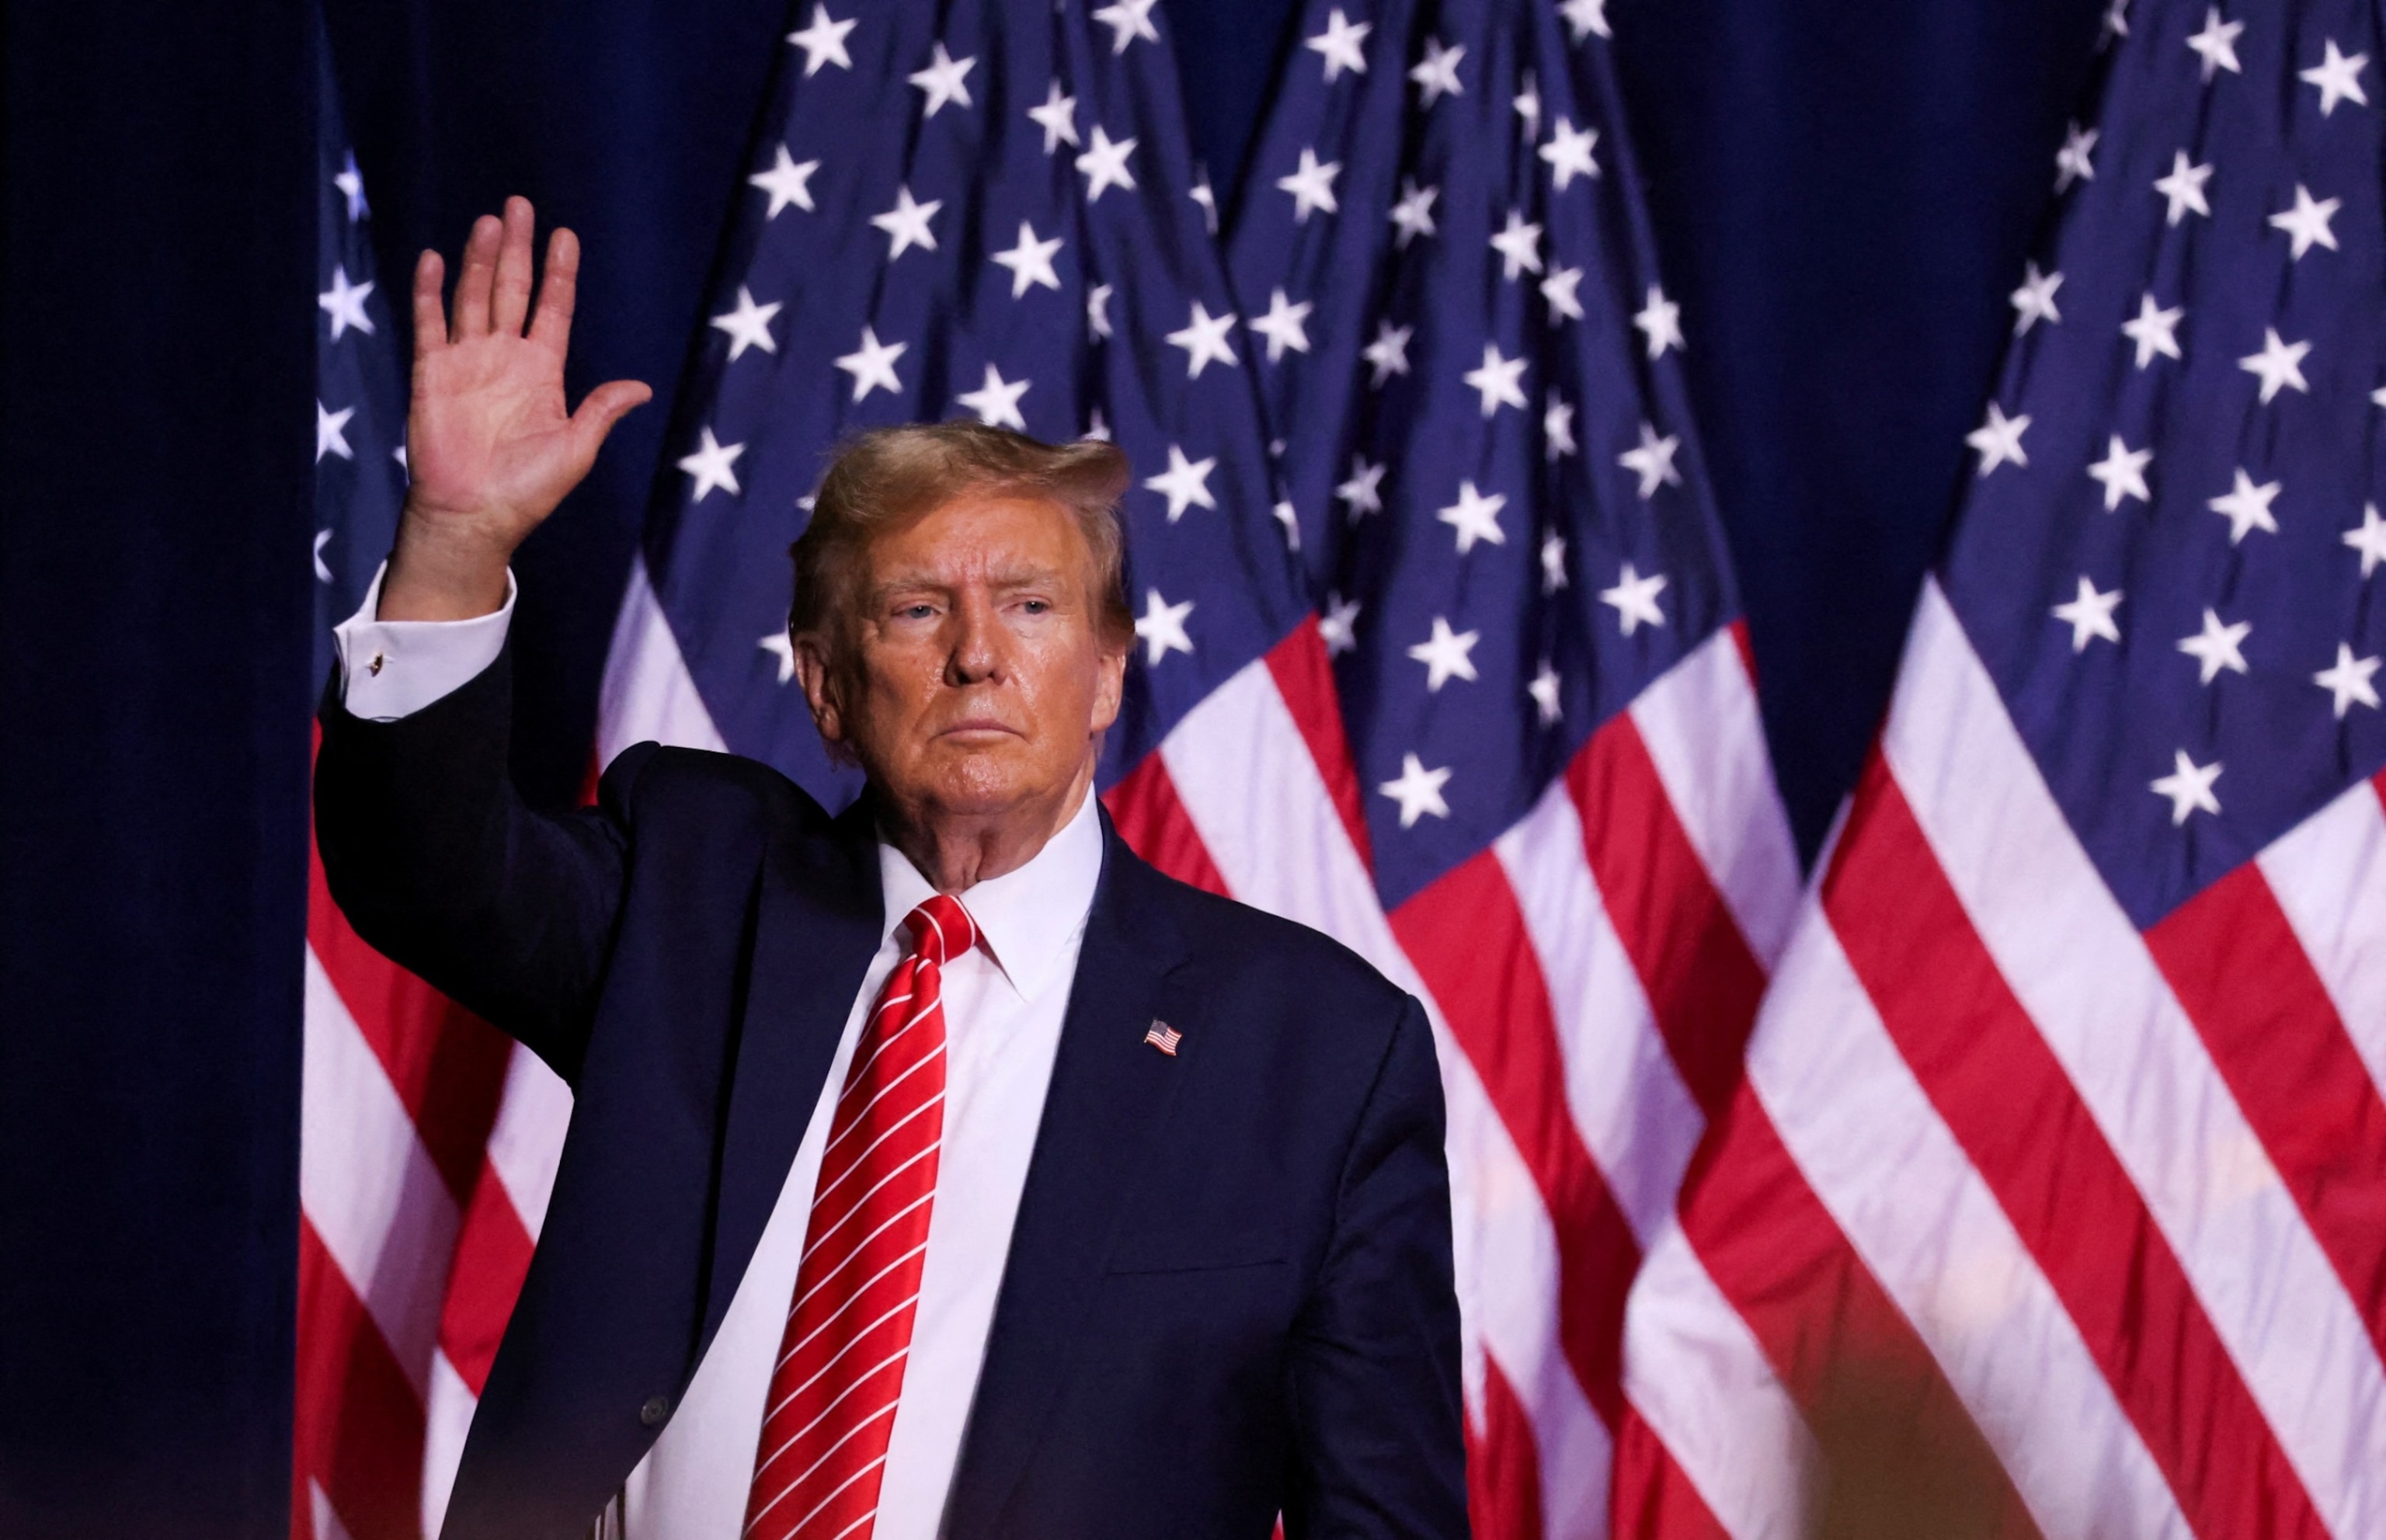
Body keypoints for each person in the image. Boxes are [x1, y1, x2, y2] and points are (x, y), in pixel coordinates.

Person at [315, 197, 1465, 1540]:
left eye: (1030, 608)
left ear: (1104, 676)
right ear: (826, 689)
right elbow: (421, 871)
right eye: (918, 610)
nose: (978, 654)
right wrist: (455, 544)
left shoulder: (1317, 1050)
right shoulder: (691, 892)